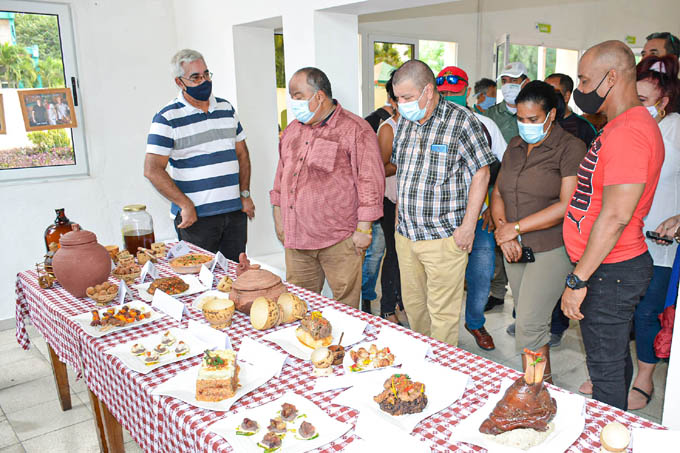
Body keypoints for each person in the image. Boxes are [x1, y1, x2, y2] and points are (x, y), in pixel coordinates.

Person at [561, 40, 664, 411]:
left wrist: (578, 280)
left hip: (610, 270)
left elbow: (618, 215)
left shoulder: (629, 132)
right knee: (614, 362)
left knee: (604, 377)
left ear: (612, 77)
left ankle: (611, 437)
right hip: (606, 267)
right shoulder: (619, 126)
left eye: (585, 81)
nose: (581, 91)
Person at [391, 60, 494, 346]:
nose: (402, 104)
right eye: (398, 98)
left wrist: (468, 227)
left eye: (408, 98)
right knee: (414, 306)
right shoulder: (405, 124)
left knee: (443, 314)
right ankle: (424, 357)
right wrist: (399, 218)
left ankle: (442, 369)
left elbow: (482, 173)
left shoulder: (461, 121)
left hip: (444, 237)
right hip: (407, 235)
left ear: (427, 91)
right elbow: (403, 173)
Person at [490, 81, 586, 382]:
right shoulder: (515, 146)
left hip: (551, 248)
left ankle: (534, 389)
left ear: (551, 114)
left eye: (532, 119)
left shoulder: (570, 147)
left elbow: (566, 205)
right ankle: (543, 387)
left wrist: (514, 229)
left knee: (529, 324)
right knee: (534, 324)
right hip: (513, 247)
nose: (525, 125)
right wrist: (505, 232)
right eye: (520, 118)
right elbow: (499, 193)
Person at [271, 67, 385, 309]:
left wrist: (364, 229)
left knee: (345, 308)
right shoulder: (292, 130)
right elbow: (281, 176)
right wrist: (279, 217)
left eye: (298, 96)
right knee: (297, 305)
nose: (293, 102)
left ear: (319, 96)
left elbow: (370, 180)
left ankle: (342, 347)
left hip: (339, 240)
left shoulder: (355, 129)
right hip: (297, 240)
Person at [145, 49, 255, 262]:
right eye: (195, 77)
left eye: (206, 74)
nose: (204, 81)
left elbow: (242, 155)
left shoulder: (227, 109)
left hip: (234, 213)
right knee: (199, 279)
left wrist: (245, 194)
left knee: (235, 276)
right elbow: (152, 170)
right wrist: (185, 204)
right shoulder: (166, 118)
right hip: (195, 219)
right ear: (179, 82)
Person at [436, 65, 507, 350]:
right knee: (444, 281)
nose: (449, 98)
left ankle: (475, 323)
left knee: (481, 274)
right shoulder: (428, 125)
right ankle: (443, 332)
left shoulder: (486, 125)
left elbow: (503, 166)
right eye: (443, 93)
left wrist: (493, 204)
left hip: (479, 218)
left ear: (467, 93)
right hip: (441, 220)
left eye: (454, 93)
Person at [627, 55, 680, 410]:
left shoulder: (675, 128)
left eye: (643, 102)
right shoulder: (627, 126)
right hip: (623, 238)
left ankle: (644, 379)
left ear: (663, 102)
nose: (637, 108)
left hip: (660, 241)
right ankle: (614, 373)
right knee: (618, 311)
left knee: (647, 313)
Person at [544, 72, 599, 347]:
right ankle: (535, 319)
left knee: (562, 270)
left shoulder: (582, 128)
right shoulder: (542, 126)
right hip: (543, 209)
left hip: (571, 212)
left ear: (566, 96)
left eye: (554, 90)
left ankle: (557, 324)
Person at [484, 62, 530, 314]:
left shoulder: (532, 111)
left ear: (526, 81)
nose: (509, 86)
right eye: (505, 80)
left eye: (515, 80)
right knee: (497, 240)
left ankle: (522, 297)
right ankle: (497, 291)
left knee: (523, 239)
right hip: (495, 188)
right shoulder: (492, 115)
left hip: (525, 190)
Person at [376, 73, 404, 324]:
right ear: (392, 100)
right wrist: (405, 163)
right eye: (399, 98)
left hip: (413, 203)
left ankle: (403, 302)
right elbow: (380, 168)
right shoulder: (388, 129)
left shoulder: (419, 125)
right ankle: (386, 308)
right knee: (394, 255)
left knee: (410, 257)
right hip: (391, 201)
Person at [545, 73, 598, 147]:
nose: (545, 97)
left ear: (566, 96)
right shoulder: (541, 123)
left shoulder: (584, 128)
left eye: (552, 92)